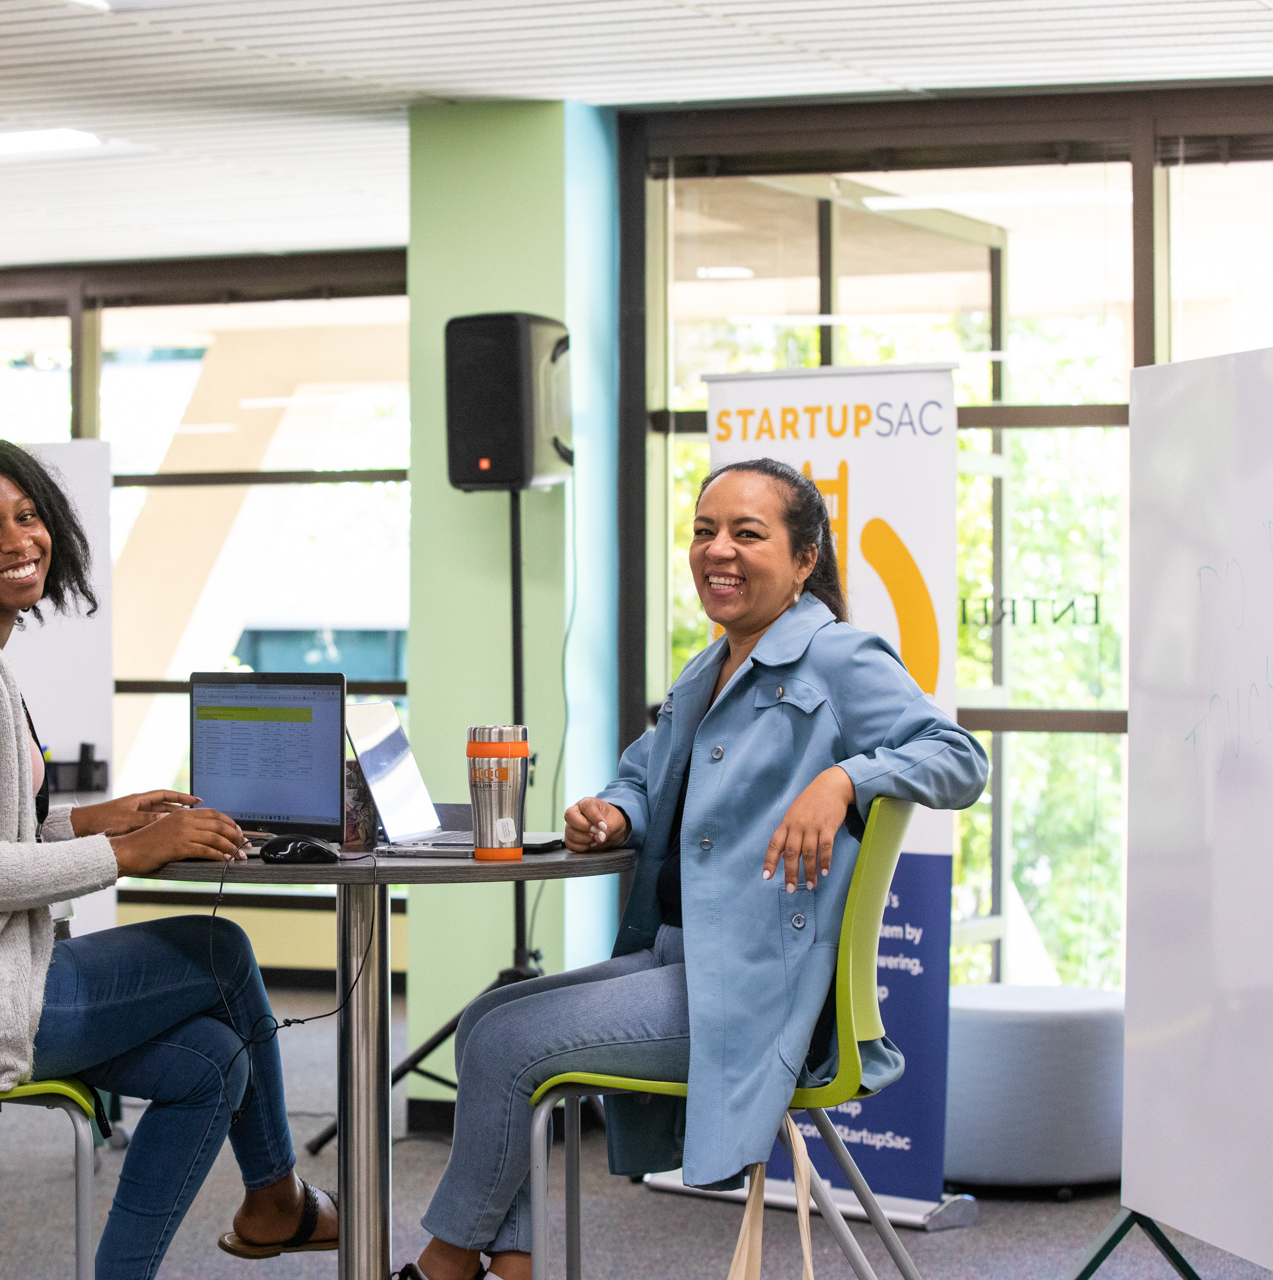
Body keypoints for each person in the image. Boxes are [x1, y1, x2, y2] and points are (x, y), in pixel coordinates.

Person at [400, 458, 990, 1280]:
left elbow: (959, 758)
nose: (720, 550)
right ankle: (512, 1261)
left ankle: (443, 1264)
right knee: (483, 1024)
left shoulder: (839, 656)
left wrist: (846, 777)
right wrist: (615, 812)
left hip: (751, 988)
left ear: (805, 558)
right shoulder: (711, 663)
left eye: (748, 533)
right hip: (682, 960)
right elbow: (642, 776)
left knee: (507, 1045)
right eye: (705, 531)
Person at [0, 437, 336, 1280]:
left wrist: (93, 819)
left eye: (26, 517)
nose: (18, 540)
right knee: (220, 950)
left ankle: (209, 1231)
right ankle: (275, 1198)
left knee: (211, 1059)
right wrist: (125, 852)